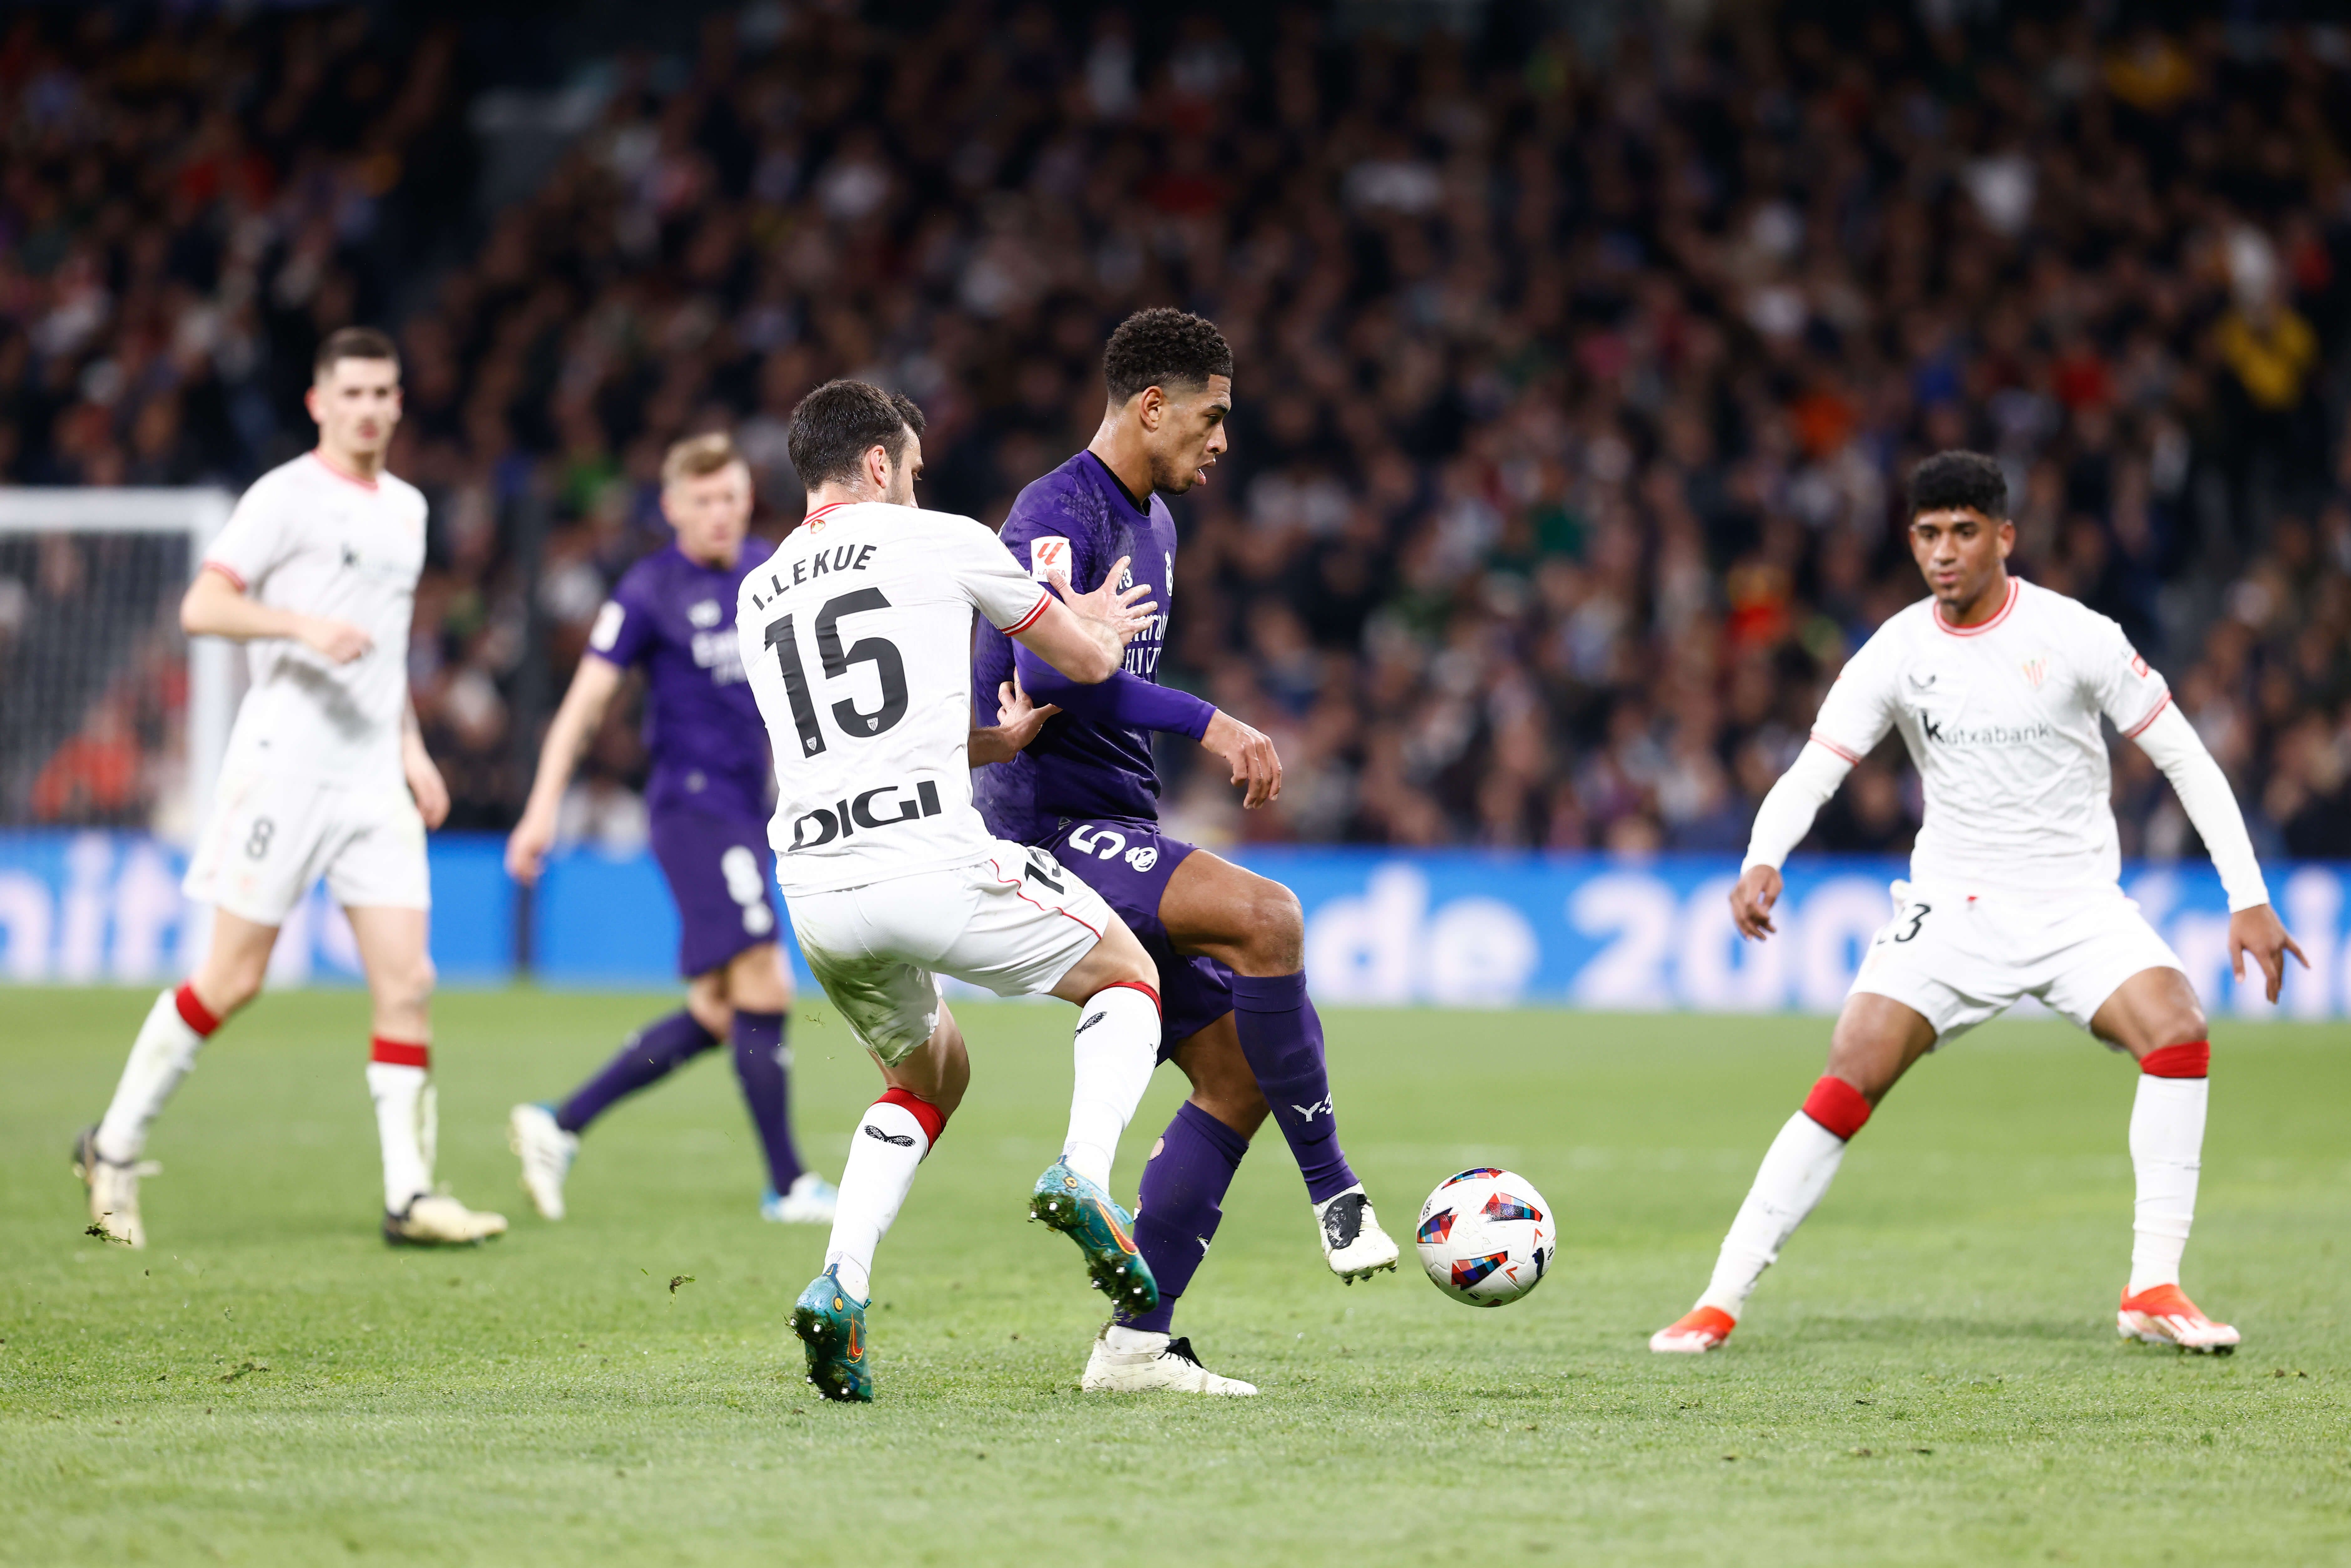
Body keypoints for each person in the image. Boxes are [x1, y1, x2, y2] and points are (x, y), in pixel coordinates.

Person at [1650, 450, 2306, 1356]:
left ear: (2003, 536)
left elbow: (2184, 757)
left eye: (1962, 532)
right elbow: (1815, 768)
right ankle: (1718, 1298)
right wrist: (1763, 856)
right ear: (1910, 542)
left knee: (2176, 1026)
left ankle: (2151, 1285)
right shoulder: (1896, 650)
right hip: (1951, 912)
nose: (1943, 552)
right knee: (1849, 1075)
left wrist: (2248, 897)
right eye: (1926, 534)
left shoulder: (2076, 634)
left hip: (2075, 904)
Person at [972, 308, 1399, 1399]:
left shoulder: (1158, 526)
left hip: (1121, 823)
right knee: (1271, 917)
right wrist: (1212, 721)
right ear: (1151, 406)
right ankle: (1336, 1192)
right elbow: (1056, 677)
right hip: (1046, 831)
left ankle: (1136, 1349)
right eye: (1211, 419)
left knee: (1239, 1074)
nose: (1222, 443)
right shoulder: (1054, 512)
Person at [748, 379, 1166, 1403]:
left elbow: (859, 740)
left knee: (926, 1080)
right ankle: (1084, 1173)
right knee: (1127, 979)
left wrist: (995, 741)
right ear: (882, 465)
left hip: (815, 889)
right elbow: (1080, 660)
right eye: (915, 468)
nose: (918, 482)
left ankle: (840, 1285)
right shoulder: (938, 536)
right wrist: (1101, 622)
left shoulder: (761, 594)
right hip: (928, 861)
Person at [74, 327, 506, 1247]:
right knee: (234, 977)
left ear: (398, 402)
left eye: (384, 393)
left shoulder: (407, 509)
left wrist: (413, 749)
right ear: (319, 402)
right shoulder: (285, 497)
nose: (369, 408)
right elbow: (204, 604)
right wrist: (300, 628)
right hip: (287, 767)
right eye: (351, 393)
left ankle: (410, 1197)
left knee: (409, 980)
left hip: (371, 779)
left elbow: (384, 652)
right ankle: (110, 1145)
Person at [503, 433, 836, 1226]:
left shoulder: (772, 568)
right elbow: (584, 705)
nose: (721, 514)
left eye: (732, 497)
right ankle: (788, 1184)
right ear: (672, 508)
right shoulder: (650, 590)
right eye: (704, 501)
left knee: (721, 1011)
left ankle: (559, 1123)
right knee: (764, 979)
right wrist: (543, 804)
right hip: (691, 808)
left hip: (751, 810)